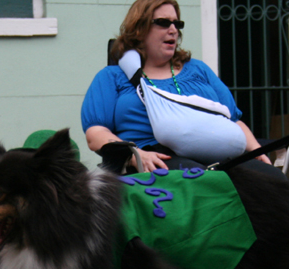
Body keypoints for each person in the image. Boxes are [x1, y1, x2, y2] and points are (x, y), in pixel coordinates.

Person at [80, 0, 275, 174]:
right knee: (200, 179)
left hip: (220, 157)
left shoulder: (198, 69)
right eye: (163, 23)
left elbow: (233, 120)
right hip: (154, 160)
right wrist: (135, 155)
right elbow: (95, 133)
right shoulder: (112, 77)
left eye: (177, 24)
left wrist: (256, 151)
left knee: (272, 181)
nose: (173, 29)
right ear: (139, 29)